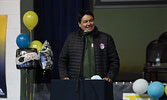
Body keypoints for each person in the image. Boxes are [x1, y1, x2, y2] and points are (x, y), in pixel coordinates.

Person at [58, 10, 120, 82]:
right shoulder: (71, 38)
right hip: (76, 83)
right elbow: (62, 60)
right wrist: (64, 76)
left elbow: (114, 61)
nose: (89, 23)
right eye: (85, 21)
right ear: (79, 24)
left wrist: (109, 76)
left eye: (91, 20)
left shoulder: (106, 38)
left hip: (100, 82)